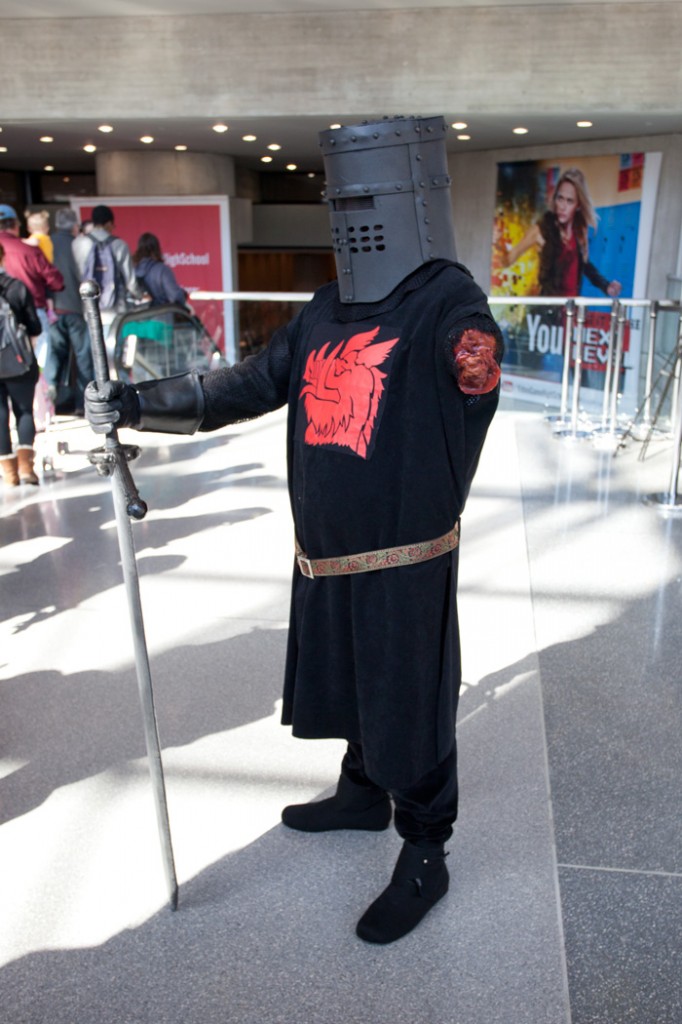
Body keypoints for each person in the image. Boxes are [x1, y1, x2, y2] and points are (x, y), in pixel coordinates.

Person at [85, 116, 504, 946]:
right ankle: (360, 790)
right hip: (324, 557)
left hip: (403, 559)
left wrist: (471, 362)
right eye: (341, 200)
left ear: (406, 195)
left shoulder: (449, 302)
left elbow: (476, 377)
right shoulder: (324, 307)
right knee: (347, 678)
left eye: (365, 198)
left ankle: (426, 848)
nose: (352, 215)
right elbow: (248, 383)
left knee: (408, 700)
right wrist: (139, 402)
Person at [501, 167, 622, 298]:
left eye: (569, 201)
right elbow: (510, 258)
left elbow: (585, 266)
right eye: (560, 198)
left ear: (578, 205)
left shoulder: (579, 231)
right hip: (548, 311)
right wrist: (498, 247)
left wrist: (606, 285)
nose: (563, 206)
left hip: (570, 310)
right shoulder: (542, 229)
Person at [0, 203, 64, 366]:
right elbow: (56, 281)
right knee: (37, 364)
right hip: (31, 314)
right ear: (15, 225)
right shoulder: (28, 249)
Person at [0, 242, 43, 486]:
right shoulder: (17, 288)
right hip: (18, 361)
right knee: (24, 411)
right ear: (3, 257)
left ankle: (9, 474)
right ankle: (26, 468)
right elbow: (34, 326)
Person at [44, 208, 94, 414]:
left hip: (53, 309)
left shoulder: (46, 243)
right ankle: (84, 404)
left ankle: (50, 401)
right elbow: (85, 275)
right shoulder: (79, 244)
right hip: (76, 308)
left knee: (54, 355)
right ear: (75, 225)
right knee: (83, 358)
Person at [73, 203, 144, 319]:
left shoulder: (78, 244)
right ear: (109, 223)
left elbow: (76, 276)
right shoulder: (119, 245)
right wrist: (139, 296)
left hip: (88, 310)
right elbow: (130, 282)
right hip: (116, 312)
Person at [132, 232, 187, 308]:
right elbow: (175, 297)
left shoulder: (132, 270)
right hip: (162, 316)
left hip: (136, 317)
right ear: (157, 249)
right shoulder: (162, 270)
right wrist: (183, 294)